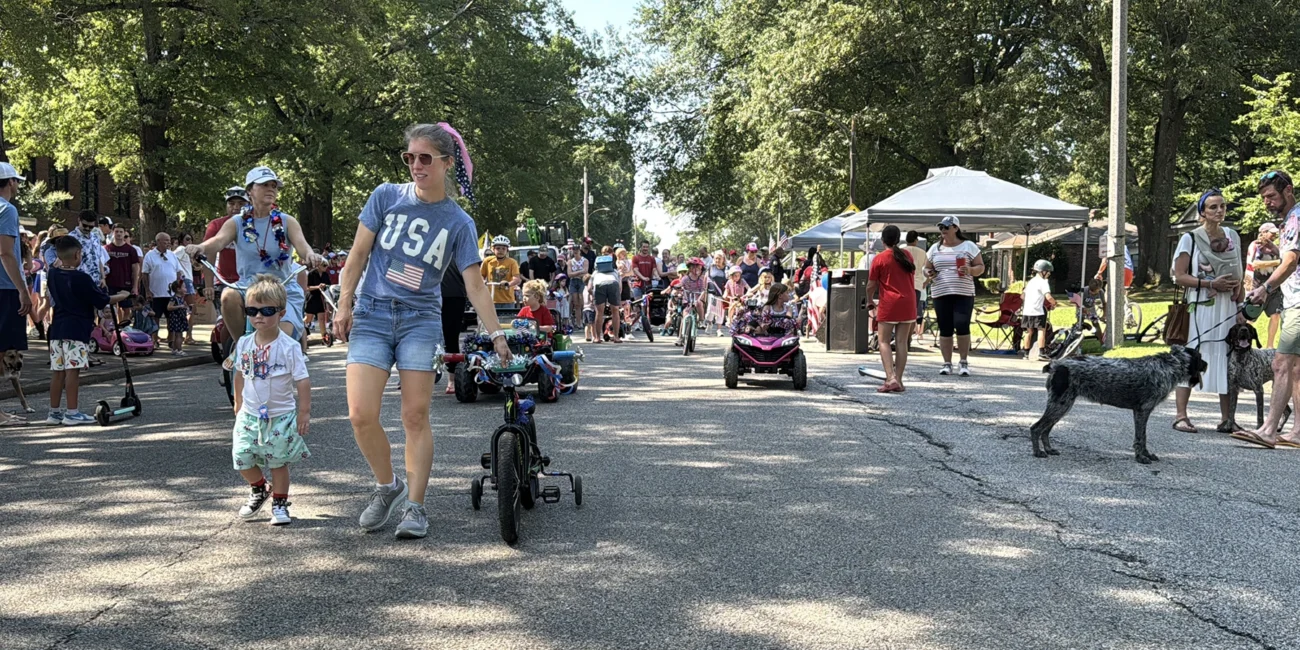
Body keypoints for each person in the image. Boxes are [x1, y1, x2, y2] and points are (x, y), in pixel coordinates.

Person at [334, 122, 509, 540]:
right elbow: (358, 255)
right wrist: (344, 304)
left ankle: (415, 506)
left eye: (425, 158)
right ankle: (387, 485)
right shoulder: (385, 197)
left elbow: (474, 286)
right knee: (361, 415)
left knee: (415, 415)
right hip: (373, 313)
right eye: (409, 157)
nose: (416, 165)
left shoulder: (459, 222)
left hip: (421, 320)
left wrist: (498, 335)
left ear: (447, 163)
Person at [185, 167, 321, 344]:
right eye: (264, 185)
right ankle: (242, 347)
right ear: (250, 190)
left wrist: (311, 256)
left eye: (274, 185)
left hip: (282, 287)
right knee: (228, 296)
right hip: (248, 286)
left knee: (280, 342)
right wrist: (200, 247)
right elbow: (218, 241)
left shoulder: (287, 221)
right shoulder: (237, 222)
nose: (271, 189)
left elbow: (303, 246)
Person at [227, 274, 312, 526]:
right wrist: (237, 400)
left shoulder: (288, 346)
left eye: (266, 310)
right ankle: (259, 488)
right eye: (251, 310)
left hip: (281, 415)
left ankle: (280, 501)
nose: (258, 317)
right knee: (242, 456)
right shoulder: (243, 343)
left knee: (278, 461)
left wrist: (304, 412)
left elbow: (302, 380)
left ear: (281, 313)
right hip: (249, 413)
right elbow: (239, 373)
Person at [1170, 189, 1242, 435]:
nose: (1219, 210)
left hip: (1227, 306)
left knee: (1227, 356)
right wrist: (1210, 284)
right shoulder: (1189, 238)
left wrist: (1240, 304)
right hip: (1201, 305)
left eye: (1222, 206)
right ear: (1202, 212)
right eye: (1213, 207)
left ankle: (1226, 418)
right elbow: (1179, 276)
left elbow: (1238, 271)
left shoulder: (1232, 235)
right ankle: (1181, 415)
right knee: (1192, 355)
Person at [1237, 172, 1300, 447]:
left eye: (1271, 196)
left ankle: (1268, 430)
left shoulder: (1296, 218)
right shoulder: (1290, 220)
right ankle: (1297, 432)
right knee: (1297, 369)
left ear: (1288, 190)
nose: (1267, 202)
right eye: (1264, 197)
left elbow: (1290, 261)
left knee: (1280, 363)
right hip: (1293, 300)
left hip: (1299, 301)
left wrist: (1266, 289)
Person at [43, 237, 129, 425]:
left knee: (57, 371)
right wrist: (122, 295)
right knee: (73, 370)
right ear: (77, 254)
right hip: (76, 329)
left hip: (57, 328)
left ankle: (54, 412)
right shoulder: (81, 277)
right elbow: (101, 299)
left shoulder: (53, 274)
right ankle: (72, 413)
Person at [924, 216, 985, 376]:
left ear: (956, 228)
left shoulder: (968, 246)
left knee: (962, 324)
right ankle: (947, 363)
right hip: (941, 292)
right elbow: (926, 267)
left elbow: (980, 267)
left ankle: (963, 362)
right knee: (945, 328)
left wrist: (970, 270)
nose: (943, 230)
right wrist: (928, 272)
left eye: (946, 227)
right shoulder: (935, 248)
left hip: (963, 292)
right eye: (941, 227)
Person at [864, 226, 918, 393]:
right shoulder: (907, 255)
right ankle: (899, 381)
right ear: (898, 240)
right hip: (909, 302)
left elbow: (871, 284)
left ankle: (890, 378)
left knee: (884, 341)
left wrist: (869, 300)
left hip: (890, 303)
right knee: (902, 342)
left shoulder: (880, 259)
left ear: (882, 240)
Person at [203, 188, 248, 304]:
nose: (236, 207)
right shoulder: (216, 225)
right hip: (225, 281)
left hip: (251, 280)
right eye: (231, 203)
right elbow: (209, 254)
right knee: (227, 317)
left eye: (241, 204)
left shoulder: (255, 224)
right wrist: (209, 285)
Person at [141, 232, 185, 347]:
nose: (168, 243)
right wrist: (147, 290)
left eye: (169, 240)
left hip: (171, 293)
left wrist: (179, 287)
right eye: (165, 240)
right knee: (155, 317)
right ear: (158, 241)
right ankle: (155, 340)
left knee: (172, 318)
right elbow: (144, 274)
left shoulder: (172, 255)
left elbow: (178, 271)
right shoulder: (150, 255)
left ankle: (171, 340)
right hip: (156, 293)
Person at [1247, 222, 1283, 347]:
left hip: (1274, 287)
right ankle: (1245, 343)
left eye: (1275, 233)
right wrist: (1277, 262)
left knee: (1275, 315)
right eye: (1271, 233)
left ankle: (1270, 346)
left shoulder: (1275, 247)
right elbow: (1254, 264)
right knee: (1250, 317)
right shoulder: (1255, 245)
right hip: (1257, 287)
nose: (1274, 235)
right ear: (1263, 232)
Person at [440, 259, 469, 395]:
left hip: (454, 295)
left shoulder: (459, 248)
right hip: (427, 296)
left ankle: (452, 377)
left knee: (451, 337)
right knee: (422, 337)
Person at [1021, 260, 1057, 361]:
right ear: (1042, 271)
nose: (1049, 273)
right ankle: (1041, 353)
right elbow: (1048, 296)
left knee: (1029, 332)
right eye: (1048, 271)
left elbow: (1022, 296)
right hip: (1038, 311)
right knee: (1041, 330)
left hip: (1027, 310)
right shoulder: (1043, 282)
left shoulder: (1031, 281)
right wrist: (1054, 303)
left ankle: (1026, 353)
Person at [103, 226, 141, 324]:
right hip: (109, 283)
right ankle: (110, 329)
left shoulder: (131, 250)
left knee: (126, 308)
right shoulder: (106, 249)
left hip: (125, 283)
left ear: (124, 233)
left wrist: (135, 286)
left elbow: (135, 268)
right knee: (109, 308)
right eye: (116, 231)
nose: (119, 234)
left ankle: (124, 329)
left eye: (121, 232)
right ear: (113, 233)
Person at [68, 210, 108, 288]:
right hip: (79, 282)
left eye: (91, 227)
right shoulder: (71, 238)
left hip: (96, 282)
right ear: (79, 220)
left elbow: (99, 259)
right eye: (85, 225)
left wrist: (103, 278)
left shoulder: (96, 237)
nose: (87, 228)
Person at [591, 246, 621, 344]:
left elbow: (589, 288)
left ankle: (597, 338)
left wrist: (593, 295)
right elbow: (620, 287)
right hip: (613, 283)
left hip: (599, 284)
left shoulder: (595, 272)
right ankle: (616, 337)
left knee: (599, 312)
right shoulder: (615, 271)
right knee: (615, 311)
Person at [481, 235, 522, 307]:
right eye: (498, 248)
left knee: (507, 318)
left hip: (507, 300)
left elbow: (517, 279)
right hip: (491, 298)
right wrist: (483, 281)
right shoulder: (487, 261)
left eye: (503, 249)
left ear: (507, 250)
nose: (500, 251)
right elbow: (481, 275)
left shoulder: (512, 262)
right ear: (493, 249)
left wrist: (508, 284)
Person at [173, 232, 199, 344]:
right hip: (186, 281)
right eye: (187, 239)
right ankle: (188, 336)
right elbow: (172, 257)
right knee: (192, 309)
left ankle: (183, 335)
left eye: (191, 240)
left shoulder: (186, 252)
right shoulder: (181, 249)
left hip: (187, 280)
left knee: (185, 309)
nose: (190, 242)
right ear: (182, 241)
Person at [904, 231, 928, 348]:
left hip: (902, 284)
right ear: (916, 240)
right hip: (917, 285)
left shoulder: (901, 250)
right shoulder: (922, 252)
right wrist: (926, 282)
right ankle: (908, 340)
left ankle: (901, 340)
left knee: (901, 313)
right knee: (913, 314)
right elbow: (929, 269)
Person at [303, 260, 329, 341]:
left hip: (320, 298)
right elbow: (307, 287)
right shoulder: (311, 274)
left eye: (326, 265)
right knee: (308, 318)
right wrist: (317, 287)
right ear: (319, 266)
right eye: (324, 265)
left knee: (321, 318)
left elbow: (328, 284)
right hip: (311, 297)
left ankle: (324, 337)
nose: (325, 267)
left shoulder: (325, 274)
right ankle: (301, 328)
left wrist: (325, 286)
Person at [565, 240, 589, 328]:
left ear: (580, 250)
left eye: (577, 249)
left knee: (582, 301)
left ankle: (584, 320)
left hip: (582, 281)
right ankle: (578, 322)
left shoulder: (585, 260)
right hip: (573, 282)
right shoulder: (570, 261)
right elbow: (569, 274)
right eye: (573, 250)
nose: (575, 251)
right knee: (576, 303)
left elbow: (586, 271)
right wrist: (580, 272)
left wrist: (576, 272)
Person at [164, 278, 190, 355]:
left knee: (178, 335)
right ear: (178, 289)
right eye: (184, 287)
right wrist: (180, 306)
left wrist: (185, 307)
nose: (186, 289)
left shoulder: (181, 298)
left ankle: (175, 349)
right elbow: (169, 307)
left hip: (180, 318)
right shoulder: (174, 298)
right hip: (176, 319)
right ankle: (179, 349)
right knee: (179, 335)